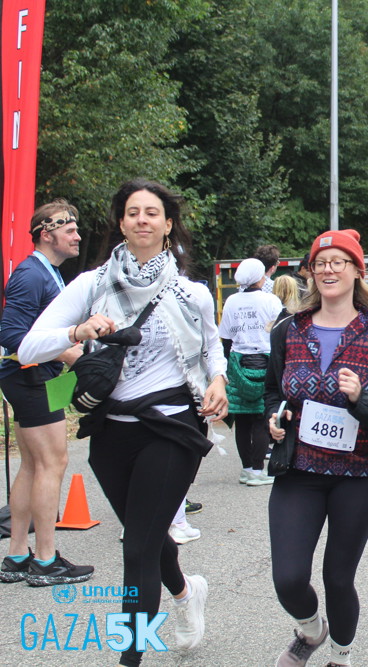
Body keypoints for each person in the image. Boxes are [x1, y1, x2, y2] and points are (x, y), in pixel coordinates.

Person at [19, 179, 228, 665]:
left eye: (152, 212)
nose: (142, 220)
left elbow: (211, 346)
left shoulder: (190, 292)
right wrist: (77, 331)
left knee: (136, 550)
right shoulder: (92, 285)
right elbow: (29, 346)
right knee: (146, 538)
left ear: (168, 224)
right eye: (133, 212)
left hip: (172, 427)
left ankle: (129, 658)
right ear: (121, 222)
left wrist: (218, 379)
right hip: (111, 431)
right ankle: (186, 592)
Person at [265, 229, 368, 667]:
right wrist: (274, 417)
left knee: (338, 578)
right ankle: (311, 631)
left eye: (338, 262)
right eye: (320, 263)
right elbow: (273, 392)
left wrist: (360, 399)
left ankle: (341, 656)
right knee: (289, 578)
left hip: (359, 474)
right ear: (310, 272)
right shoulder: (288, 330)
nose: (328, 270)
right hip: (299, 470)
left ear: (356, 271)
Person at [0, 199, 93, 586]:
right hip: (31, 377)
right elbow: (12, 336)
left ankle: (17, 555)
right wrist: (69, 350)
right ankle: (44, 561)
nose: (77, 236)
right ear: (46, 234)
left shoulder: (46, 273)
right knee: (52, 464)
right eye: (69, 230)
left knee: (33, 465)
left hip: (35, 377)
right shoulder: (31, 275)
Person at [219, 257, 283, 486]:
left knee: (243, 419)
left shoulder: (231, 301)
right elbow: (280, 332)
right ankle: (258, 470)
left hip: (239, 363)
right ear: (260, 277)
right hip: (266, 362)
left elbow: (225, 338)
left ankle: (246, 469)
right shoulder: (271, 300)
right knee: (261, 417)